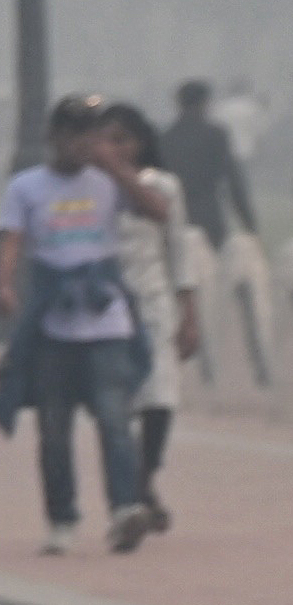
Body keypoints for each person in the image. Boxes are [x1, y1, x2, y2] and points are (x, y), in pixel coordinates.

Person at [0, 93, 156, 553]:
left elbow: (157, 210)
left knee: (115, 420)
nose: (84, 143)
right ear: (54, 137)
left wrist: (117, 168)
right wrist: (4, 284)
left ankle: (125, 509)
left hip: (106, 320)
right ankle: (62, 518)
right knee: (54, 431)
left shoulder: (108, 182)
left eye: (91, 133)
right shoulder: (27, 187)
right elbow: (11, 239)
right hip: (54, 321)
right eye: (75, 134)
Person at [103, 103, 208, 547]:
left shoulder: (162, 185)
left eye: (122, 139)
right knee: (116, 406)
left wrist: (189, 313)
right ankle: (134, 493)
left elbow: (178, 249)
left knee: (159, 397)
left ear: (140, 143)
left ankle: (143, 481)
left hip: (153, 303)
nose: (113, 148)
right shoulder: (91, 189)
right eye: (106, 140)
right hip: (105, 308)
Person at [156, 80, 268, 389]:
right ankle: (257, 362)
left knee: (184, 294)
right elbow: (234, 182)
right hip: (212, 223)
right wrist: (251, 226)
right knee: (238, 291)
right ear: (205, 103)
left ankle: (199, 366)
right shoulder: (216, 135)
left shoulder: (166, 138)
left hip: (178, 223)